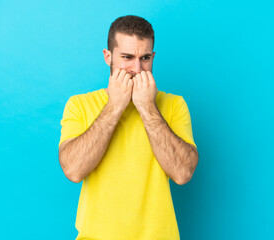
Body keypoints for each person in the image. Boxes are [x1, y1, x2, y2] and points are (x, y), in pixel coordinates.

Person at [58, 15, 199, 240]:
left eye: (144, 58)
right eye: (127, 57)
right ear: (108, 56)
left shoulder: (174, 105)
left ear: (153, 57)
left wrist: (148, 108)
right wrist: (114, 106)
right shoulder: (79, 105)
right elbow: (73, 171)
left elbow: (183, 173)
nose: (137, 68)